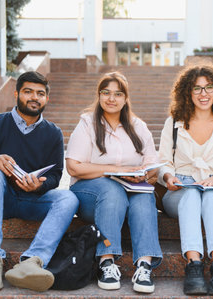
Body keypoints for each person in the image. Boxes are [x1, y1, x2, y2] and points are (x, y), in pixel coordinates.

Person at [0, 71, 79, 292]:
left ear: (47, 99)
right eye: (28, 92)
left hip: (33, 201)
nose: (34, 97)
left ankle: (32, 261)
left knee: (68, 197)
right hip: (0, 200)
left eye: (40, 93)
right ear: (16, 94)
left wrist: (40, 185)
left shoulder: (53, 133)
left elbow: (55, 176)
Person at [65, 72, 162, 293]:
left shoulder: (138, 126)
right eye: (106, 93)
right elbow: (74, 167)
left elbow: (152, 165)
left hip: (130, 193)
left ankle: (144, 265)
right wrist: (114, 171)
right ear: (99, 96)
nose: (112, 98)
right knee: (111, 189)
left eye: (118, 94)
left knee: (145, 195)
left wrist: (143, 176)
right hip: (90, 195)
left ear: (126, 98)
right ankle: (106, 261)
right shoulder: (87, 123)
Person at [158, 64, 213, 296]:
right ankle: (193, 265)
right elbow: (163, 161)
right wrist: (168, 176)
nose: (203, 94)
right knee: (192, 194)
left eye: (208, 88)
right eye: (197, 89)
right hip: (180, 189)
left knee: (211, 198)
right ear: (187, 92)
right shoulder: (173, 123)